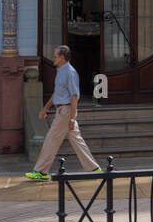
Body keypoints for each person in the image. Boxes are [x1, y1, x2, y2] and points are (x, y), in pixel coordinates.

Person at [26, 45, 101, 181]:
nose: (53, 58)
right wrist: (46, 108)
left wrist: (72, 118)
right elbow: (57, 93)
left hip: (65, 112)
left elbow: (74, 96)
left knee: (50, 139)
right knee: (77, 140)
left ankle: (41, 171)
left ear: (62, 57)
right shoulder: (61, 71)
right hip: (62, 110)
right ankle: (94, 168)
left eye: (55, 56)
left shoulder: (70, 72)